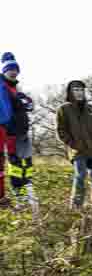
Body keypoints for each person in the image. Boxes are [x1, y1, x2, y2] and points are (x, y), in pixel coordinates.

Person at [56, 80, 92, 211]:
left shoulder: (90, 108)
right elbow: (60, 130)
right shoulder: (64, 109)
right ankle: (76, 207)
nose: (79, 93)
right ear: (70, 92)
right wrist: (73, 144)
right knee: (81, 175)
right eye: (76, 90)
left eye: (81, 90)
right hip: (78, 151)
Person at [0, 52, 38, 213]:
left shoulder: (14, 89)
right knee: (15, 167)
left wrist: (26, 102)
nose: (13, 71)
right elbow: (6, 113)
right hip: (11, 133)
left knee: (26, 167)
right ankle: (21, 201)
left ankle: (28, 199)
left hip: (22, 133)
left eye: (15, 69)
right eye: (9, 69)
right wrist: (8, 126)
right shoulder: (3, 87)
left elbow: (26, 105)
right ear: (4, 71)